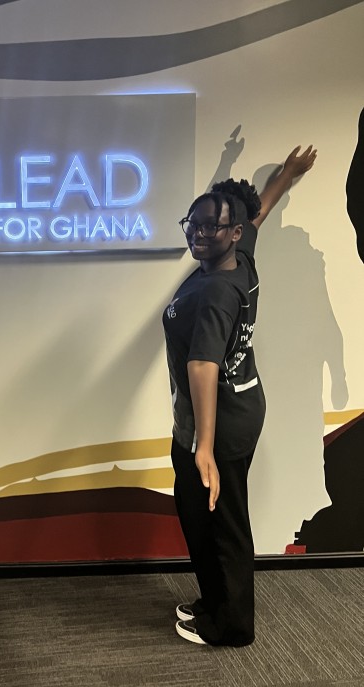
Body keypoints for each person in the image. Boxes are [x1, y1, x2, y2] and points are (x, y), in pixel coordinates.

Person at [162, 145, 317, 646]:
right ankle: (215, 600)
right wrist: (287, 175)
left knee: (220, 525)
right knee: (203, 517)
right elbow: (260, 212)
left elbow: (203, 365)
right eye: (194, 223)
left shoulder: (215, 293)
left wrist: (202, 447)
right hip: (242, 405)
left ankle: (230, 626)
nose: (200, 234)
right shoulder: (238, 255)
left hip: (219, 422)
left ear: (231, 232)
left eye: (212, 227)